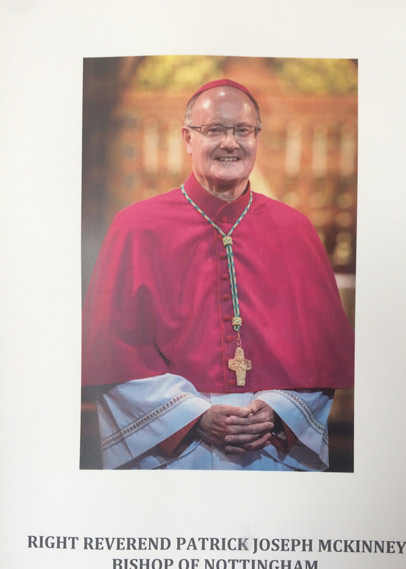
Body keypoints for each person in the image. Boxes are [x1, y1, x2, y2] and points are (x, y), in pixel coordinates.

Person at [82, 79, 354, 471]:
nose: (230, 143)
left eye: (243, 130)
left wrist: (278, 411)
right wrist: (193, 416)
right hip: (174, 450)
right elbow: (113, 356)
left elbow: (322, 358)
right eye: (214, 130)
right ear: (187, 138)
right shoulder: (136, 228)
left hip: (270, 449)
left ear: (257, 137)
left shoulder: (295, 230)